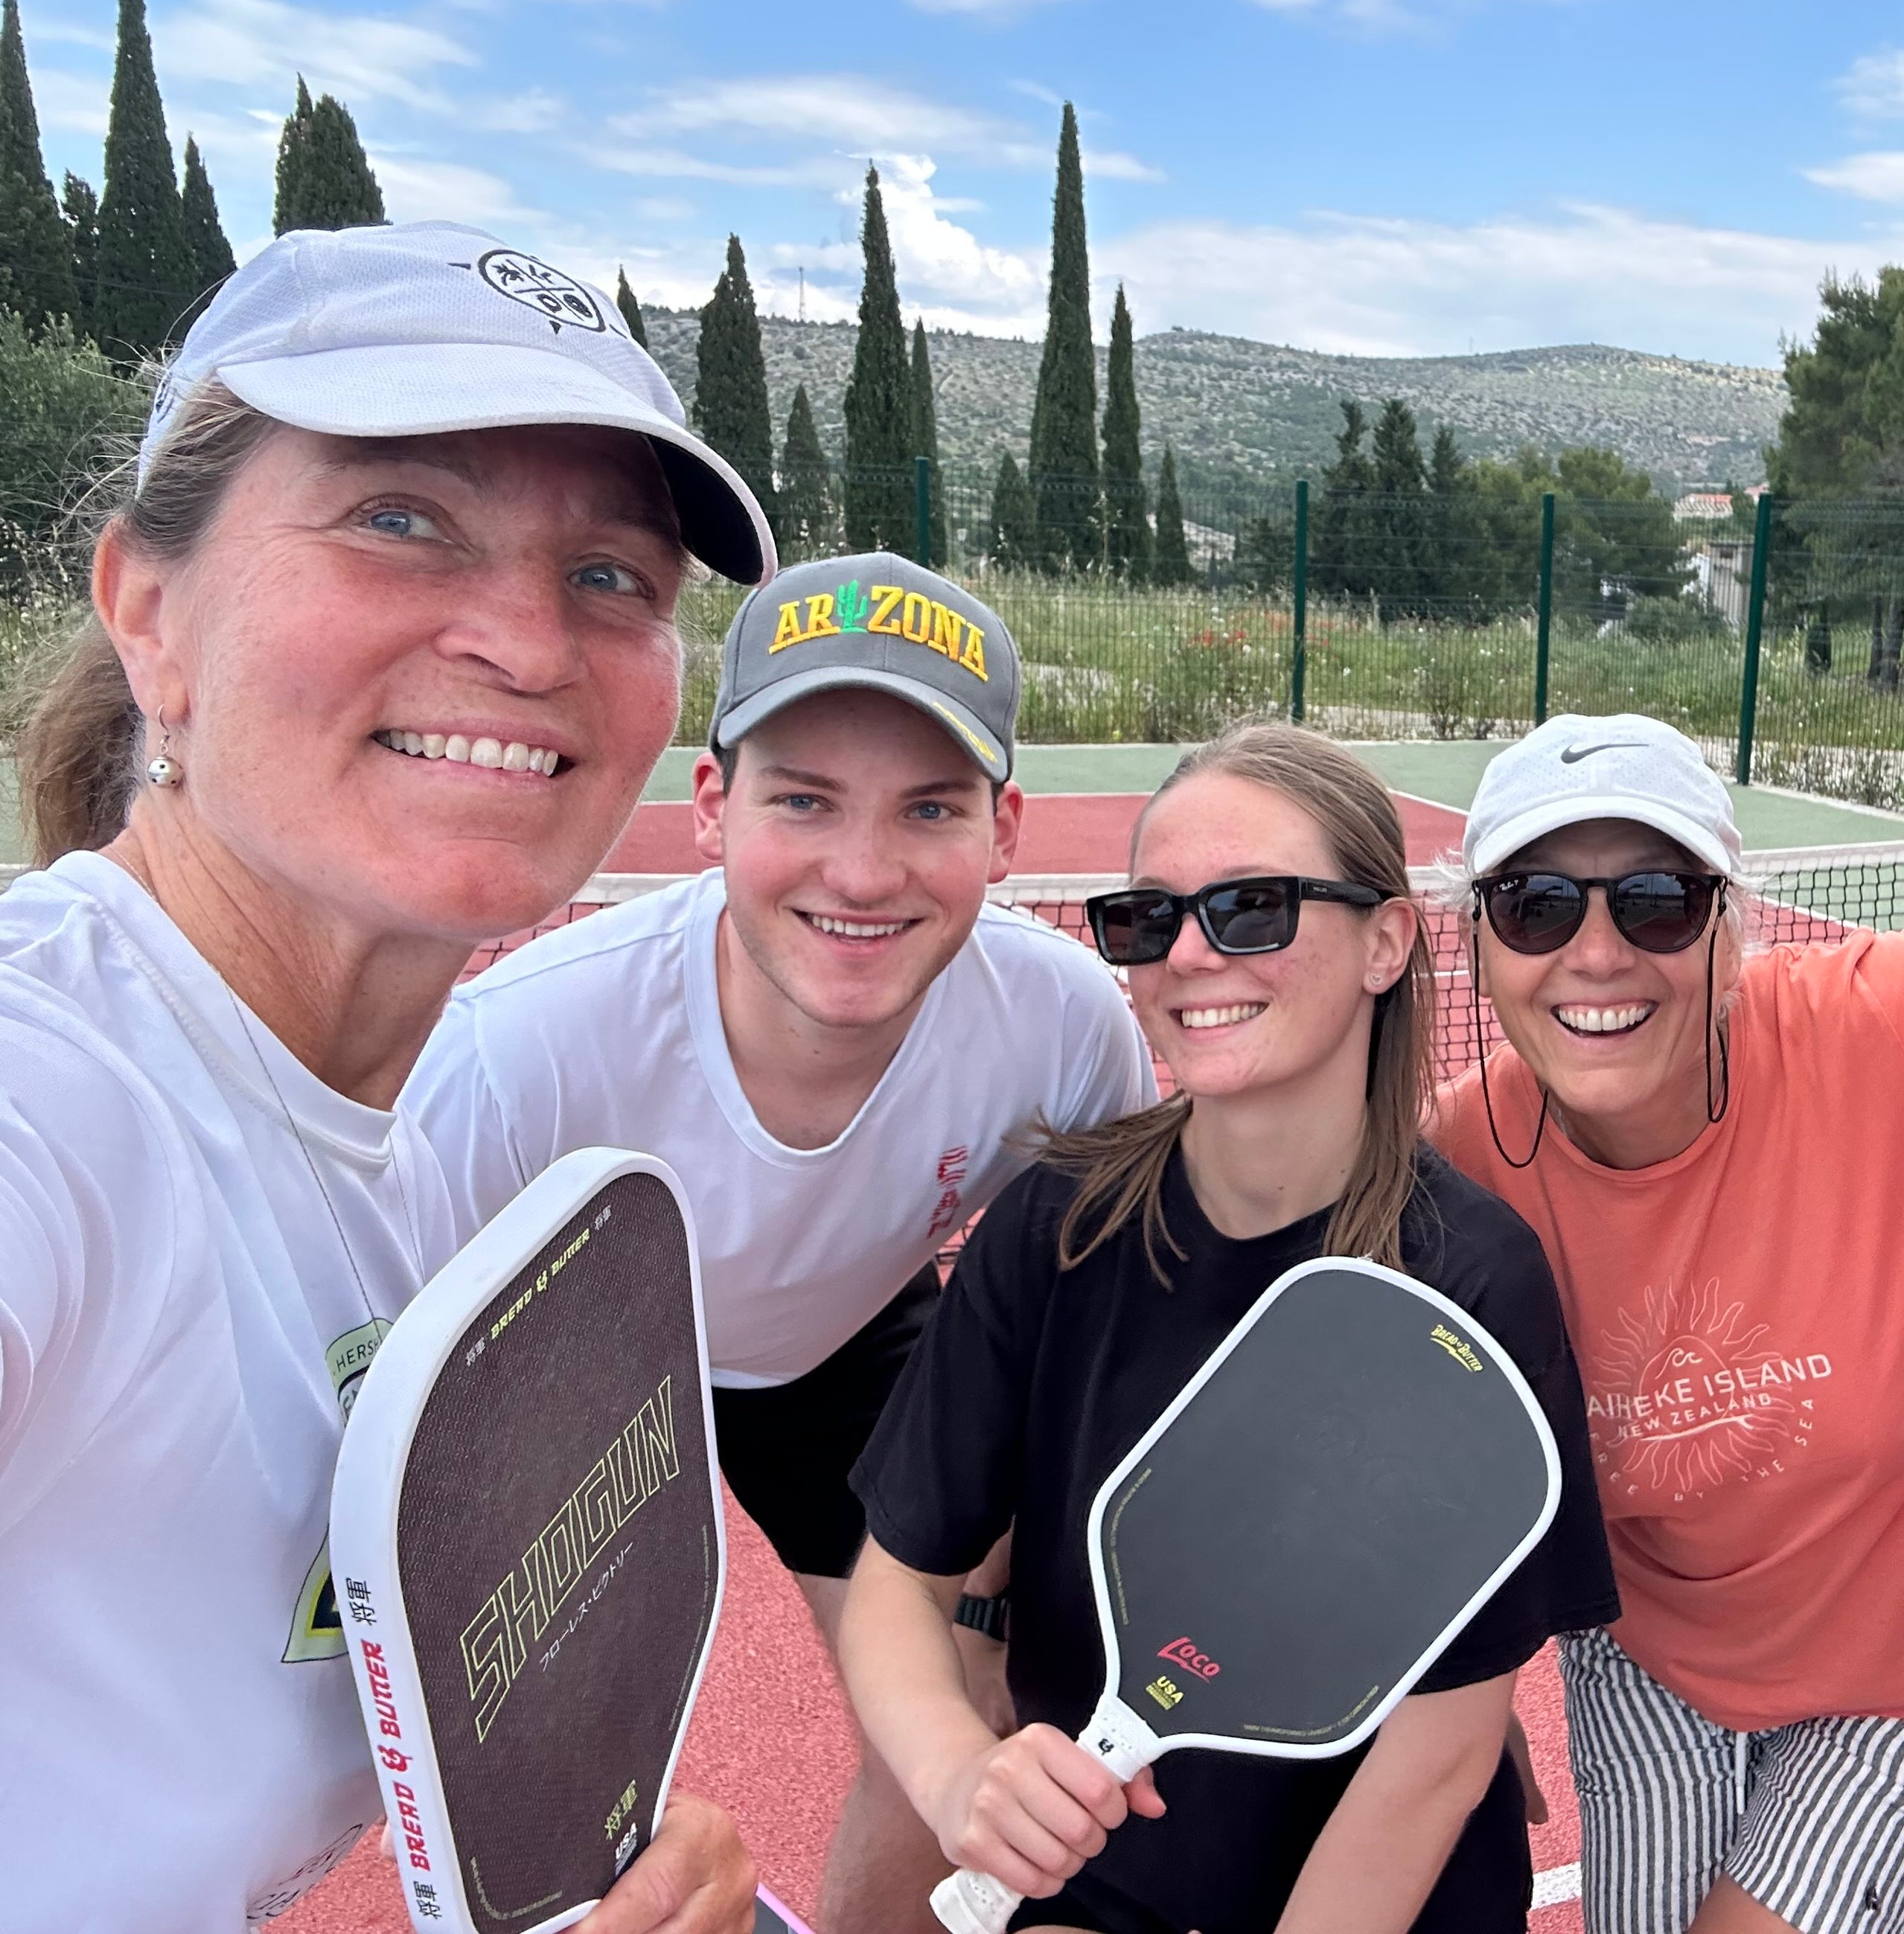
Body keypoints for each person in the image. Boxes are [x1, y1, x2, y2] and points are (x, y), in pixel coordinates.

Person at [0, 223, 765, 1928]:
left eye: (614, 577)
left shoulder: (420, 1178)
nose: (528, 642)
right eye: (400, 518)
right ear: (148, 612)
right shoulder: (43, 1099)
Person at [403, 550, 1155, 1928]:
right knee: (557, 1793)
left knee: (961, 1714)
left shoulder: (1063, 1025)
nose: (861, 872)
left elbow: (1113, 1308)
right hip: (573, 1373)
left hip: (846, 1340)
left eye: (929, 807)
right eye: (804, 799)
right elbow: (396, 1375)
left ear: (1004, 834)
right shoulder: (521, 1053)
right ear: (711, 806)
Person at [837, 723, 1617, 1934]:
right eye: (1152, 918)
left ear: (1387, 940)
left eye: (1253, 907)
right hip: (1116, 1892)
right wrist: (960, 1776)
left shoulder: (1472, 1285)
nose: (1190, 956)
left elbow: (1435, 1767)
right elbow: (897, 1587)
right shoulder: (1055, 1226)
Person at [1427, 712, 1904, 1934]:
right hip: (1650, 1654)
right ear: (1481, 949)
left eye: (1659, 900)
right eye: (1538, 906)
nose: (1597, 953)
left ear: (1732, 931)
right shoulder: (1459, 1163)